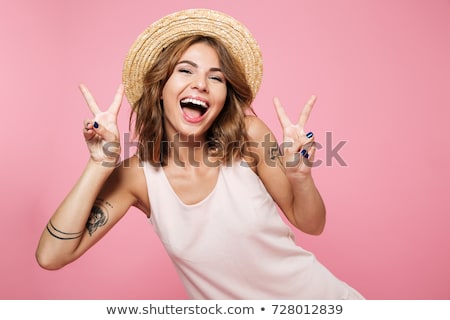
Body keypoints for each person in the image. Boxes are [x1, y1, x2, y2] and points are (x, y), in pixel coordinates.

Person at [36, 8, 364, 299]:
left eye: (216, 77)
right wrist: (98, 165)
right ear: (161, 87)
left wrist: (300, 177)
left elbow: (312, 223)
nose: (201, 84)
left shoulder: (249, 137)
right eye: (186, 70)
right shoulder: (137, 177)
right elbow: (51, 256)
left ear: (224, 95)